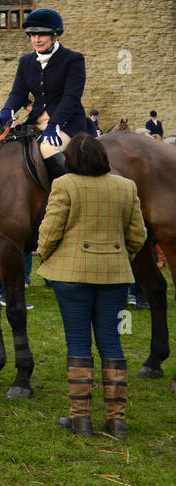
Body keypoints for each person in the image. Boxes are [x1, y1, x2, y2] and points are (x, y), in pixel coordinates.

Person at [37, 133, 146, 438]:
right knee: (112, 343)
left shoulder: (64, 184)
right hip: (114, 274)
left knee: (78, 345)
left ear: (71, 160)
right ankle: (116, 420)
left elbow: (49, 231)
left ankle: (80, 419)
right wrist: (122, 257)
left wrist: (45, 254)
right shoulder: (126, 186)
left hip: (71, 274)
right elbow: (138, 234)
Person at [0, 7, 87, 184]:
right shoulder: (26, 61)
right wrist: (7, 110)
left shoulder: (73, 59)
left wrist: (54, 124)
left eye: (42, 35)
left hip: (66, 123)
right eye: (32, 35)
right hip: (36, 122)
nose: (36, 40)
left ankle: (71, 193)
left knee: (47, 149)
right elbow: (18, 92)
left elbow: (71, 97)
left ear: (56, 35)